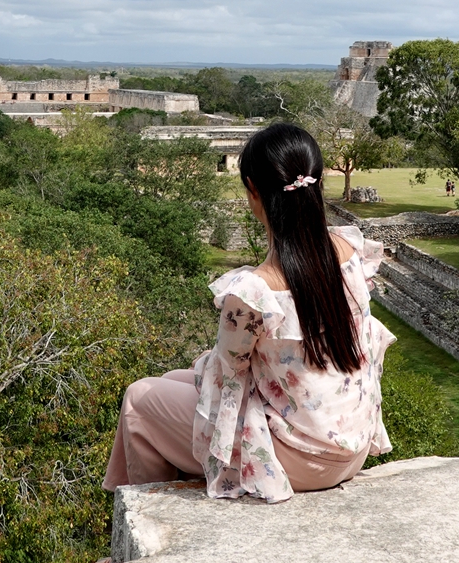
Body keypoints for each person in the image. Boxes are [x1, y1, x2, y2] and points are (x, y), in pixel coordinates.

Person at [103, 122, 395, 502]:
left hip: (297, 459)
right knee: (174, 377)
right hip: (348, 449)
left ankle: (139, 503)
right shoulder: (349, 251)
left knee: (139, 398)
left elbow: (228, 373)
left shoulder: (257, 290)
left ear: (253, 191)